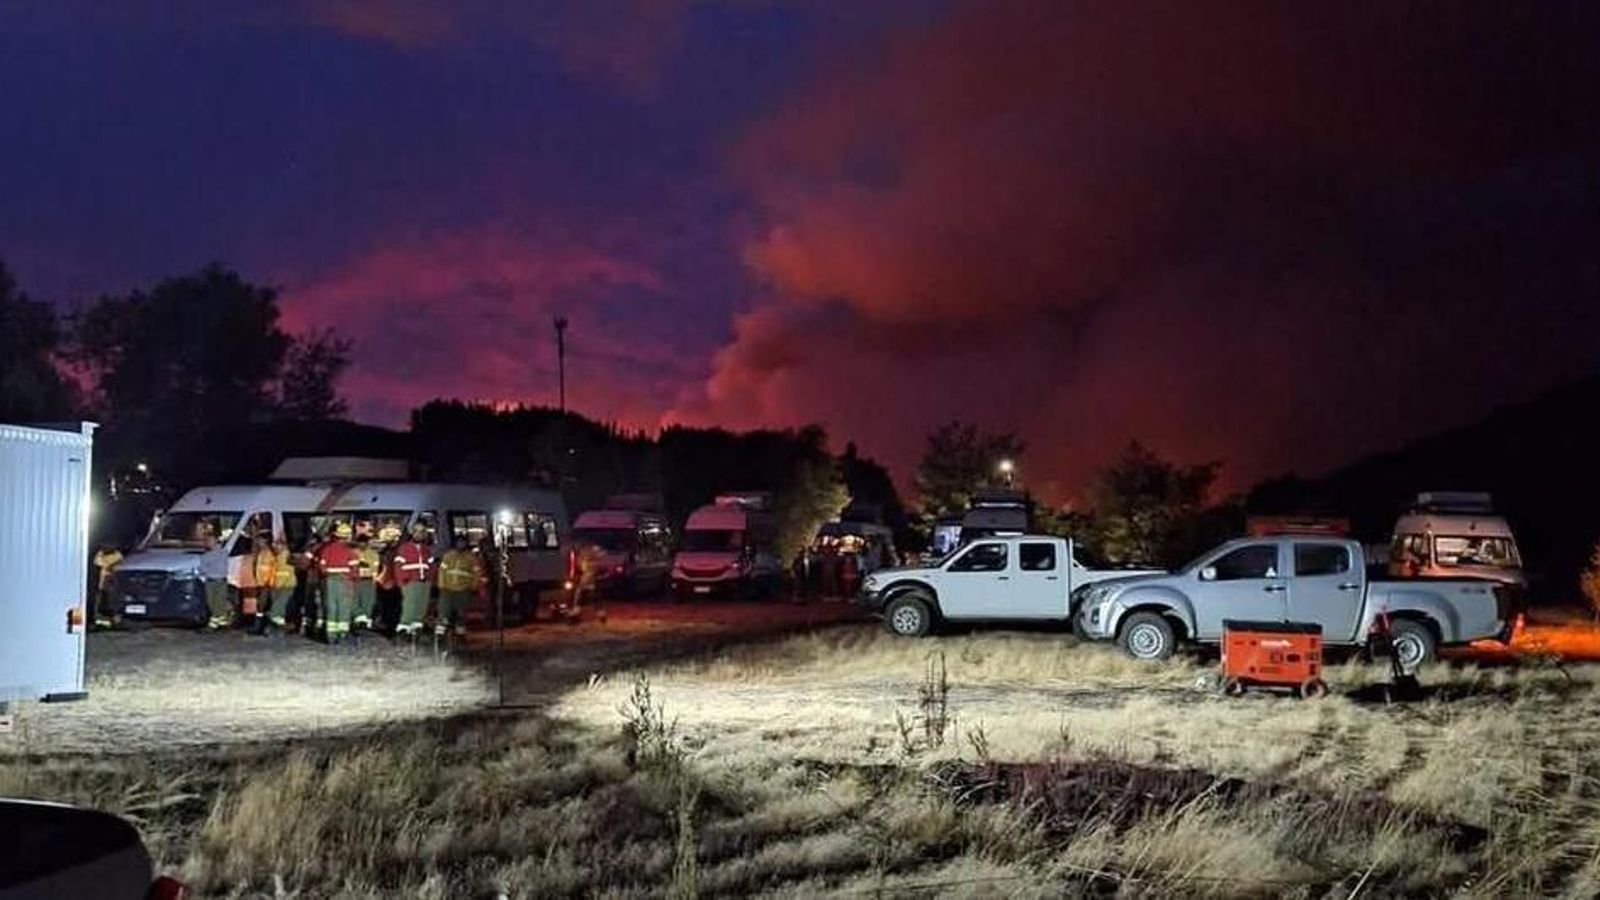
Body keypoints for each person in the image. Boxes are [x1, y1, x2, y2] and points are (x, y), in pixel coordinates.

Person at [435, 535, 483, 639]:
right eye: (459, 542)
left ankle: (460, 633)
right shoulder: (448, 556)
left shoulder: (471, 558)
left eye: (463, 542)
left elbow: (477, 573)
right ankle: (440, 633)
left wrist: (474, 586)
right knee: (444, 610)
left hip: (463, 589)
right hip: (447, 589)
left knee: (462, 612)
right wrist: (441, 585)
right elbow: (442, 571)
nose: (461, 544)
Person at [318, 522, 358, 644]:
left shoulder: (327, 549)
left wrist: (327, 576)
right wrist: (352, 580)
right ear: (347, 536)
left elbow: (322, 566)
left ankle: (331, 635)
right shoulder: (350, 551)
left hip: (329, 580)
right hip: (345, 581)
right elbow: (354, 570)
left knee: (331, 606)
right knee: (344, 607)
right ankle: (342, 634)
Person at [391, 524, 433, 640]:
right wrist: (401, 581)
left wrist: (429, 579)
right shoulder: (404, 548)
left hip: (424, 582)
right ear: (412, 533)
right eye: (417, 532)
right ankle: (404, 629)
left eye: (422, 532)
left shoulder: (426, 549)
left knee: (421, 605)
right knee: (409, 605)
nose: (419, 534)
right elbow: (398, 566)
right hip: (409, 581)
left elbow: (431, 565)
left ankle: (416, 628)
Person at [253, 536, 296, 634]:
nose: (275, 546)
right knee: (276, 610)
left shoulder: (286, 556)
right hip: (274, 585)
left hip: (283, 585)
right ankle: (274, 628)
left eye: (277, 544)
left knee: (275, 610)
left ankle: (278, 628)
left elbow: (287, 571)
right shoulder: (276, 556)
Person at [352, 534, 380, 632]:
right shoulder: (353, 553)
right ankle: (358, 619)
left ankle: (366, 621)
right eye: (360, 543)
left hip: (368, 580)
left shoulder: (373, 554)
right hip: (355, 580)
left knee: (368, 601)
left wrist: (374, 581)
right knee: (354, 599)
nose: (362, 545)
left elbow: (375, 569)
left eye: (364, 543)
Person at [91, 543, 123, 629]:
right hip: (102, 584)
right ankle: (101, 622)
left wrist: (105, 561)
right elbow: (97, 562)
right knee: (100, 602)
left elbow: (107, 564)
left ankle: (116, 621)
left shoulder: (117, 555)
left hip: (112, 583)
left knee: (112, 603)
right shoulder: (100, 554)